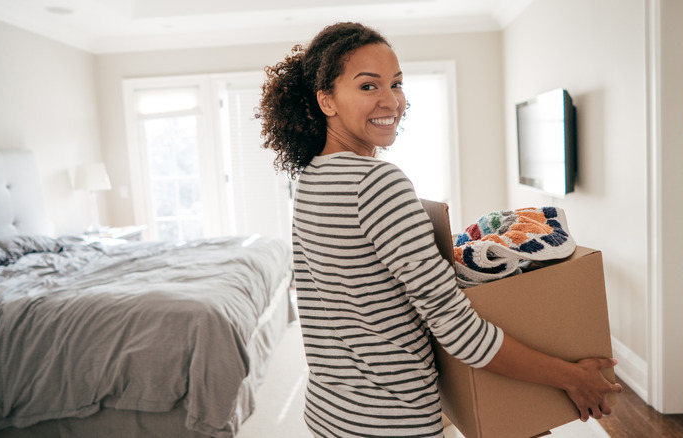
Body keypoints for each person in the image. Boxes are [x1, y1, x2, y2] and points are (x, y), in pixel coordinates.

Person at [257, 22, 621, 437]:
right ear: (327, 100)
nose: (391, 100)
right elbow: (459, 331)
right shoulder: (376, 183)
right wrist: (570, 377)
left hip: (330, 414)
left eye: (396, 83)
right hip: (390, 423)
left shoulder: (310, 179)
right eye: (367, 86)